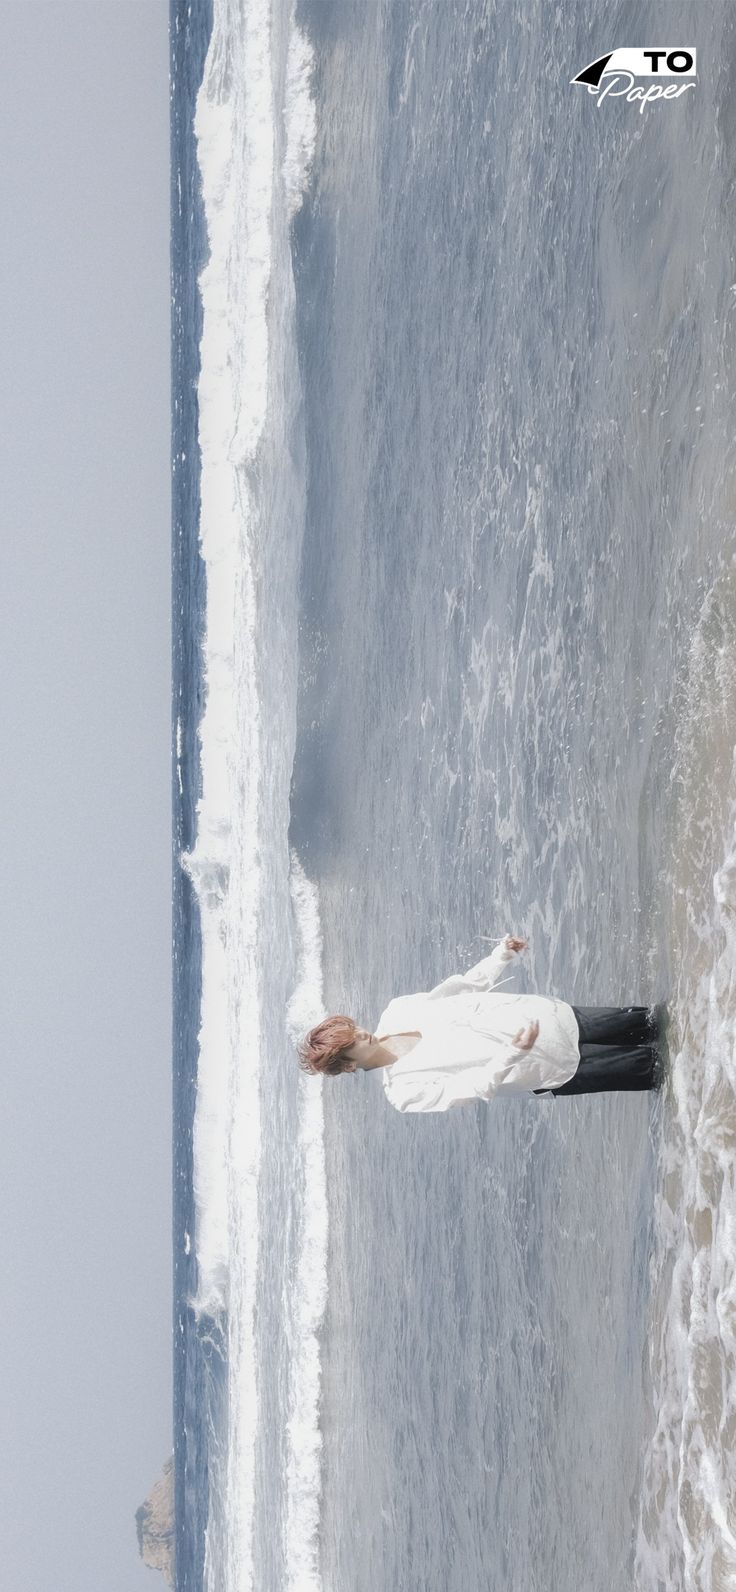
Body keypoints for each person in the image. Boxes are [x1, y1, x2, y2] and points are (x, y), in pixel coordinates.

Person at [297, 935, 665, 1111]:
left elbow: (463, 987)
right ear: (347, 1063)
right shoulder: (405, 1092)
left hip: (549, 1018)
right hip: (550, 1070)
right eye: (353, 1041)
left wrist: (501, 955)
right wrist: (514, 1052)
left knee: (654, 1022)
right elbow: (477, 1087)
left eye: (353, 1027)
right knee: (656, 1068)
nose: (362, 1032)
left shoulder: (397, 1012)